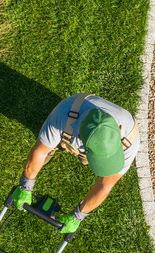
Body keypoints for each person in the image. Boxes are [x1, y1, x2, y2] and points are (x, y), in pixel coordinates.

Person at [11, 93, 140, 233]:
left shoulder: (130, 139)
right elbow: (39, 152)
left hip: (81, 137)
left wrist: (78, 216)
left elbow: (105, 185)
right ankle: (57, 145)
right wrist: (25, 186)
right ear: (79, 138)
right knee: (46, 149)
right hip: (69, 126)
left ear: (119, 129)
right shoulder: (63, 115)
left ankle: (83, 155)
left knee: (85, 161)